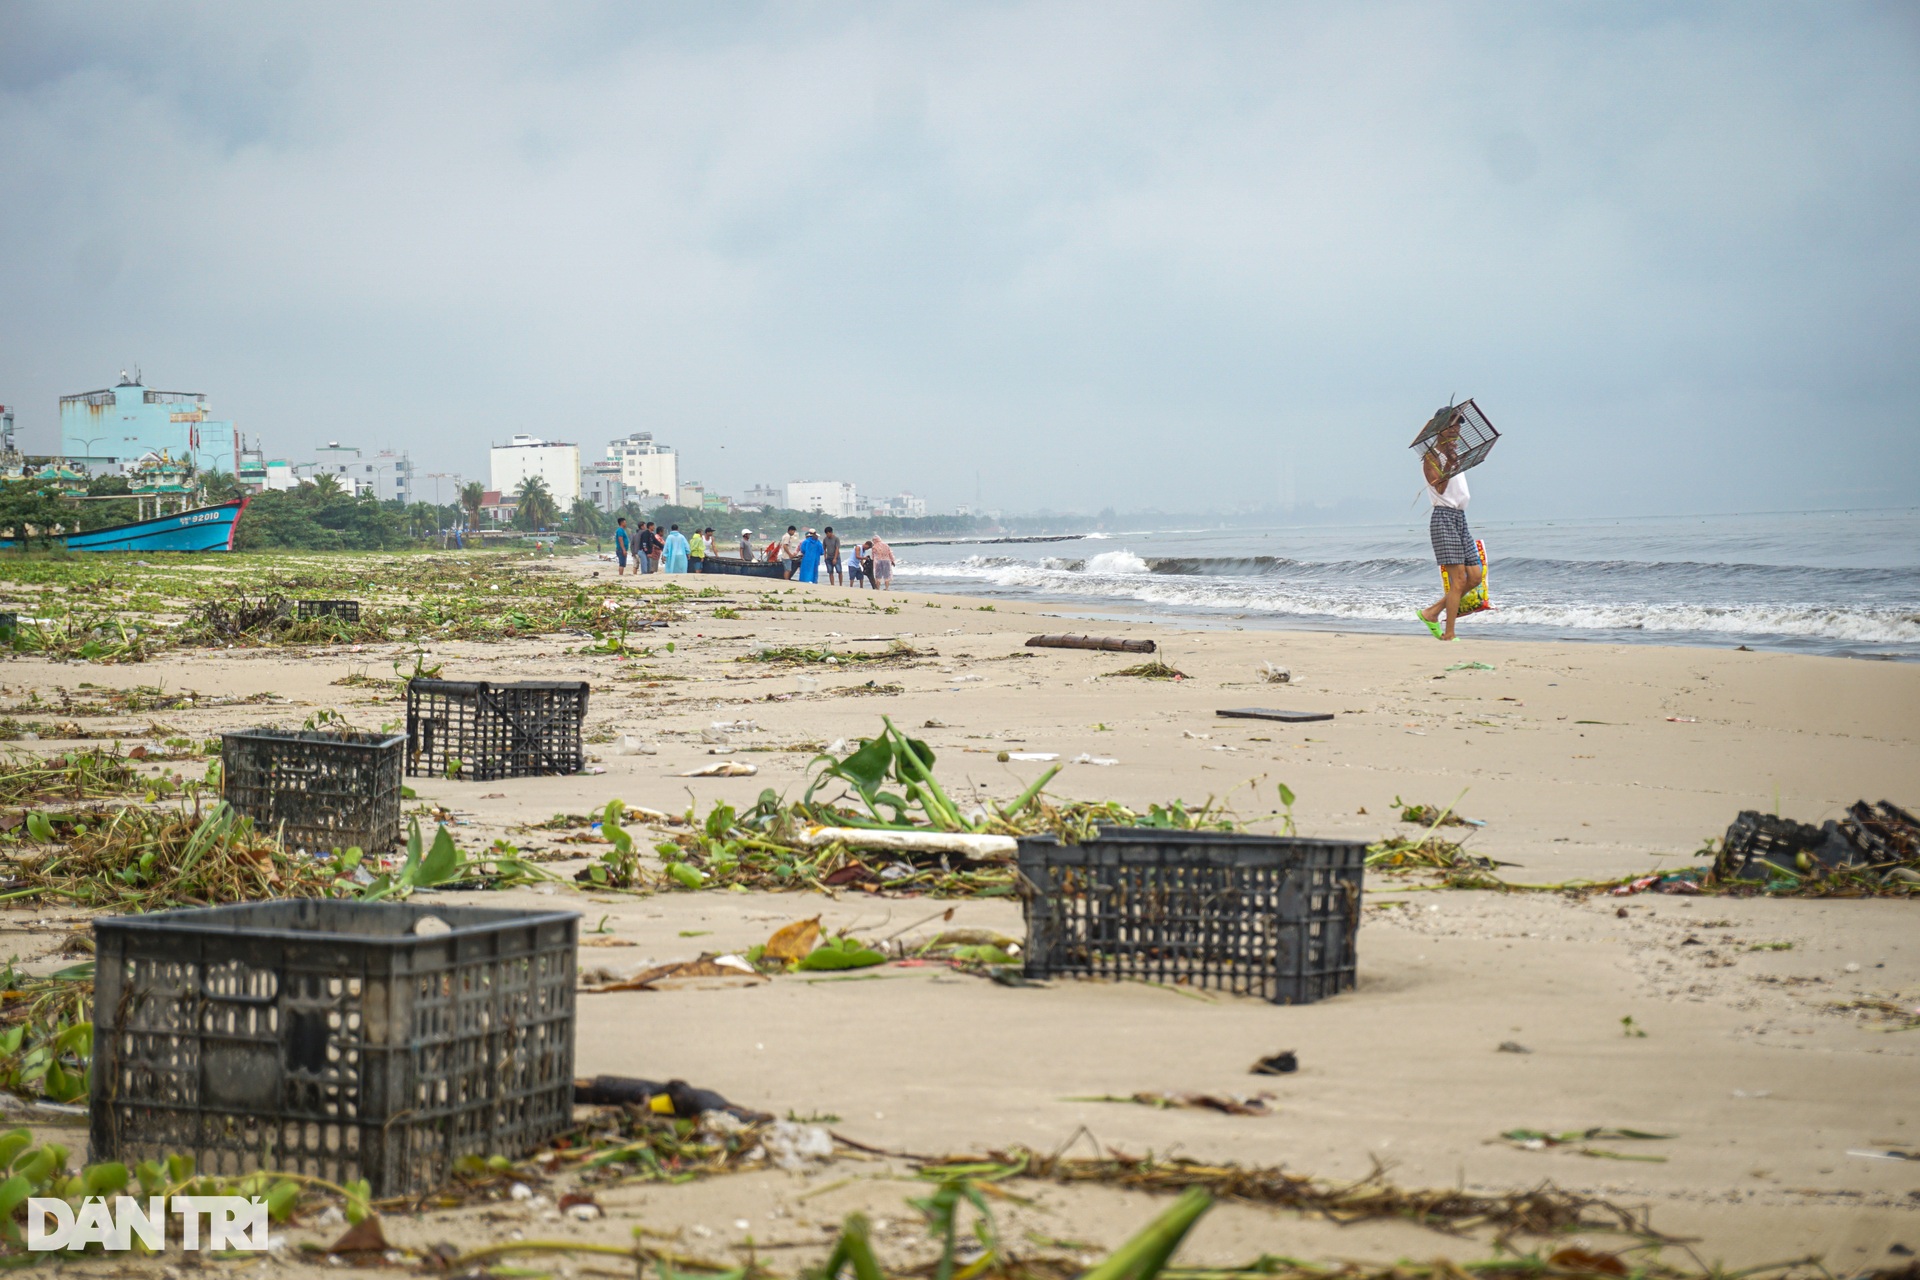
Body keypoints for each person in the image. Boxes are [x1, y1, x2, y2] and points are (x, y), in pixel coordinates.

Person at [1416, 412, 1484, 641]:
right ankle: (1449, 633)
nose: (1455, 430)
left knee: (1475, 576)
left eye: (1458, 427)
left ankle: (1432, 612)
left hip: (1459, 517)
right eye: (1451, 426)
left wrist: (1455, 459)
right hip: (1443, 517)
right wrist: (1451, 464)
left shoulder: (1453, 454)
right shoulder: (1431, 457)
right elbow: (1441, 488)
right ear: (1439, 429)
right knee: (1459, 580)